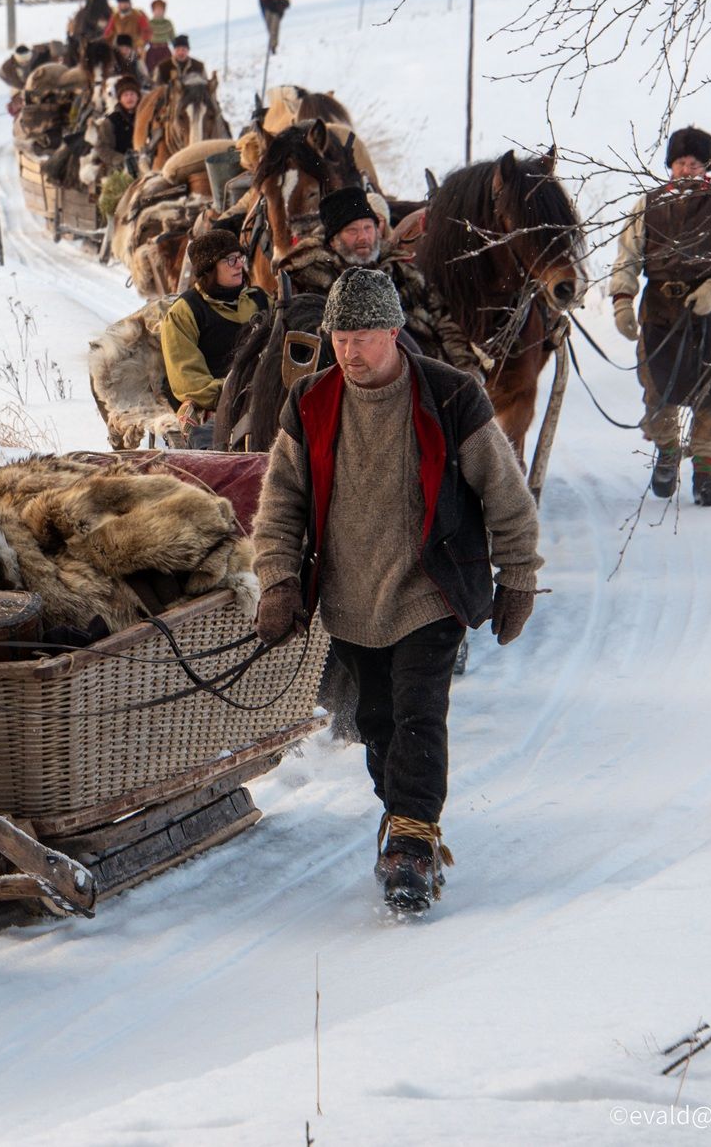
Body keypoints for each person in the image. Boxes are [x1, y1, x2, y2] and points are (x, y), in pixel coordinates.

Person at [250, 266, 542, 912]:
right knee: (377, 723)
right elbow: (280, 504)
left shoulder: (448, 395)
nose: (350, 351)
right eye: (339, 338)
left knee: (417, 712)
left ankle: (409, 845)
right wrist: (276, 579)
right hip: (349, 597)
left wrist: (517, 575)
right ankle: (406, 822)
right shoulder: (310, 403)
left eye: (362, 337)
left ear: (394, 330)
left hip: (429, 587)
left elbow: (505, 494)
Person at [609, 126, 711, 505]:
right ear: (670, 165)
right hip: (661, 314)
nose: (687, 170)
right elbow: (627, 257)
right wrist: (622, 301)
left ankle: (704, 476)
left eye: (694, 164)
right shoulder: (646, 206)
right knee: (658, 391)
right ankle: (667, 453)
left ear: (706, 166)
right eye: (680, 163)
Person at [278, 186, 489, 379]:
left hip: (429, 372)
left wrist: (464, 368)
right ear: (333, 240)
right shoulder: (308, 275)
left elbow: (442, 319)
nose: (363, 237)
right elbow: (310, 340)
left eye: (368, 228)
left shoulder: (401, 271)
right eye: (353, 231)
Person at [162, 227, 267, 448]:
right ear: (209, 269)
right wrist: (236, 392)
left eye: (240, 257)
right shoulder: (186, 311)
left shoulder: (261, 301)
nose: (239, 265)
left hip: (264, 393)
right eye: (230, 260)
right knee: (212, 443)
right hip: (216, 403)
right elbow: (189, 381)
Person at [104, 76, 144, 175]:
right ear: (120, 99)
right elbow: (102, 148)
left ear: (138, 97)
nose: (129, 98)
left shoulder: (146, 117)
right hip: (120, 171)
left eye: (132, 94)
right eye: (125, 95)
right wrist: (121, 160)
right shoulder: (111, 121)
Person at [145, 0, 175, 72]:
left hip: (165, 51)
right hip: (152, 52)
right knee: (152, 71)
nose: (159, 11)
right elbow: (144, 38)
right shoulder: (149, 23)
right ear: (153, 10)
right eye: (157, 9)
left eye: (161, 9)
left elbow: (173, 38)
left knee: (167, 70)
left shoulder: (168, 23)